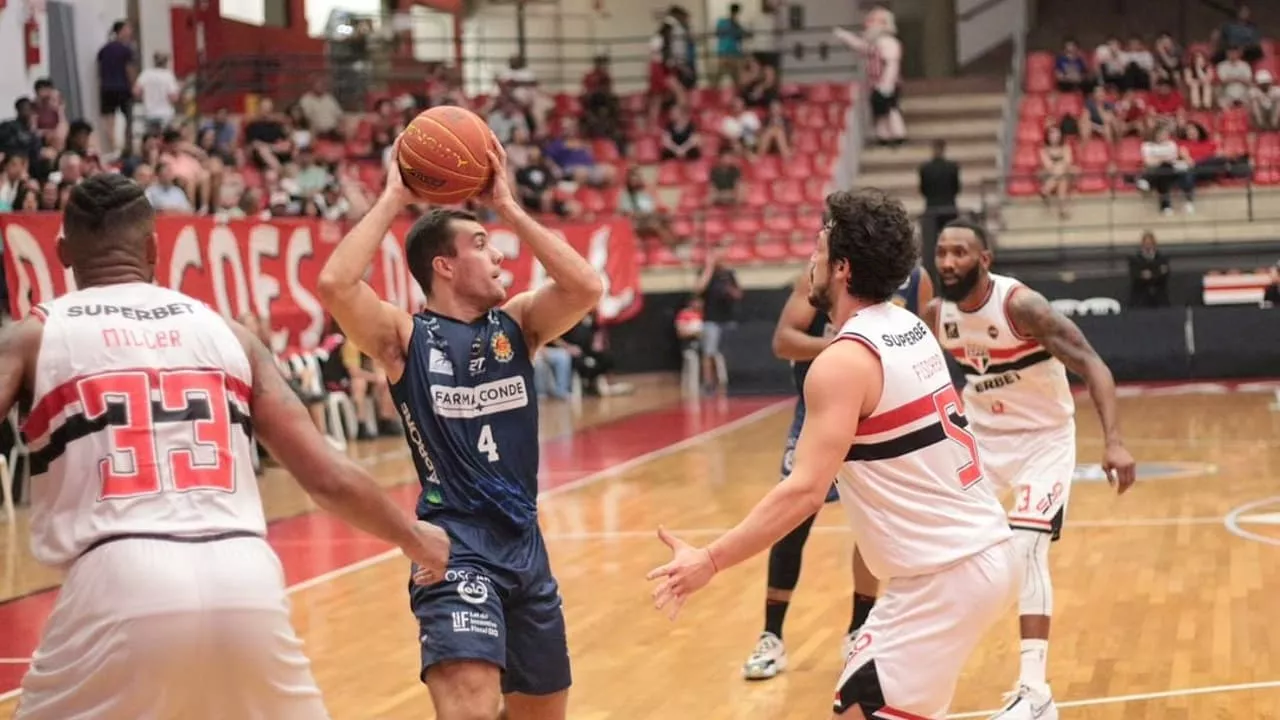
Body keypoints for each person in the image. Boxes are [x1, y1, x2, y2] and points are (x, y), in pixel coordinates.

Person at [4, 174, 450, 720]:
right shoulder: (227, 332)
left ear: (62, 252)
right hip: (246, 575)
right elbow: (326, 477)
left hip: (115, 577)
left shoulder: (33, 336)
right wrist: (414, 537)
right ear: (153, 248)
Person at [649, 189, 1020, 719]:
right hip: (963, 559)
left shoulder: (844, 361)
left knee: (860, 706)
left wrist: (709, 560)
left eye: (819, 251)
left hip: (947, 576)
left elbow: (803, 492)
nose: (810, 262)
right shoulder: (909, 327)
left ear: (842, 268)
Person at [316, 135, 602, 720]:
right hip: (454, 547)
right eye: (481, 245)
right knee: (470, 706)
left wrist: (510, 209)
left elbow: (585, 288)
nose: (500, 256)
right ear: (443, 266)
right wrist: (394, 195)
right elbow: (336, 286)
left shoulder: (518, 324)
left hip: (525, 545)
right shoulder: (404, 338)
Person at [924, 219, 1137, 720]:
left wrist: (1115, 442)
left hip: (1044, 440)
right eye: (942, 252)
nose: (949, 261)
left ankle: (1035, 692)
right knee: (943, 549)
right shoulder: (936, 315)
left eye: (960, 252)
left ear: (985, 259)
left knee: (1026, 546)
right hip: (981, 441)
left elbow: (1093, 365)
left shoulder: (1022, 306)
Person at [742, 263, 933, 680]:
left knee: (873, 523)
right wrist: (842, 347)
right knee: (792, 520)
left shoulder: (916, 279)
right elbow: (783, 341)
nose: (816, 250)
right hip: (820, 412)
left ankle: (859, 631)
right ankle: (771, 636)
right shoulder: (814, 279)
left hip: (878, 411)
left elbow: (920, 339)